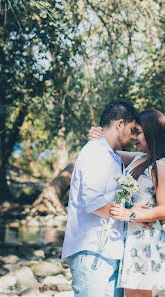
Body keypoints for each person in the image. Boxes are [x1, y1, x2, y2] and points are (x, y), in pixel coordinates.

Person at [88, 109, 165, 297]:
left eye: (138, 132)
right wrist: (100, 135)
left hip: (144, 239)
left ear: (152, 132)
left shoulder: (162, 165)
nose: (133, 137)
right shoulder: (139, 158)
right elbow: (111, 151)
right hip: (131, 236)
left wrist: (130, 215)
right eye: (133, 131)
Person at [61, 99, 138, 297]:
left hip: (109, 251)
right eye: (132, 130)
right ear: (120, 124)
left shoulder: (112, 155)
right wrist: (130, 215)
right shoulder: (95, 152)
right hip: (91, 251)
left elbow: (147, 156)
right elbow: (94, 203)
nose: (132, 137)